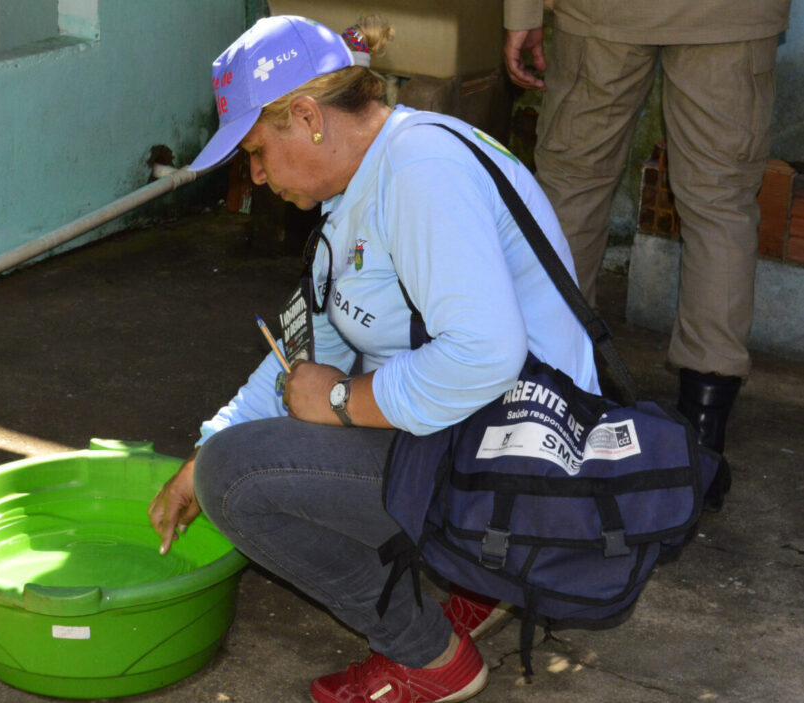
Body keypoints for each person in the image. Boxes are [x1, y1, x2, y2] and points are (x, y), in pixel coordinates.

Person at [149, 14, 599, 703]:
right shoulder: (369, 180)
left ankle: (425, 655)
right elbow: (313, 346)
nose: (259, 176)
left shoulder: (419, 174)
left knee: (235, 481)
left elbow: (484, 354)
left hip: (525, 472)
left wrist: (336, 404)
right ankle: (478, 582)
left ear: (306, 116)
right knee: (227, 456)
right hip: (489, 442)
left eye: (255, 151)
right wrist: (207, 443)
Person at [503, 0, 792, 456]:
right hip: (729, 14)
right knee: (721, 204)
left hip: (603, 13)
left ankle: (552, 394)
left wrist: (522, 13)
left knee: (574, 187)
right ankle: (703, 430)